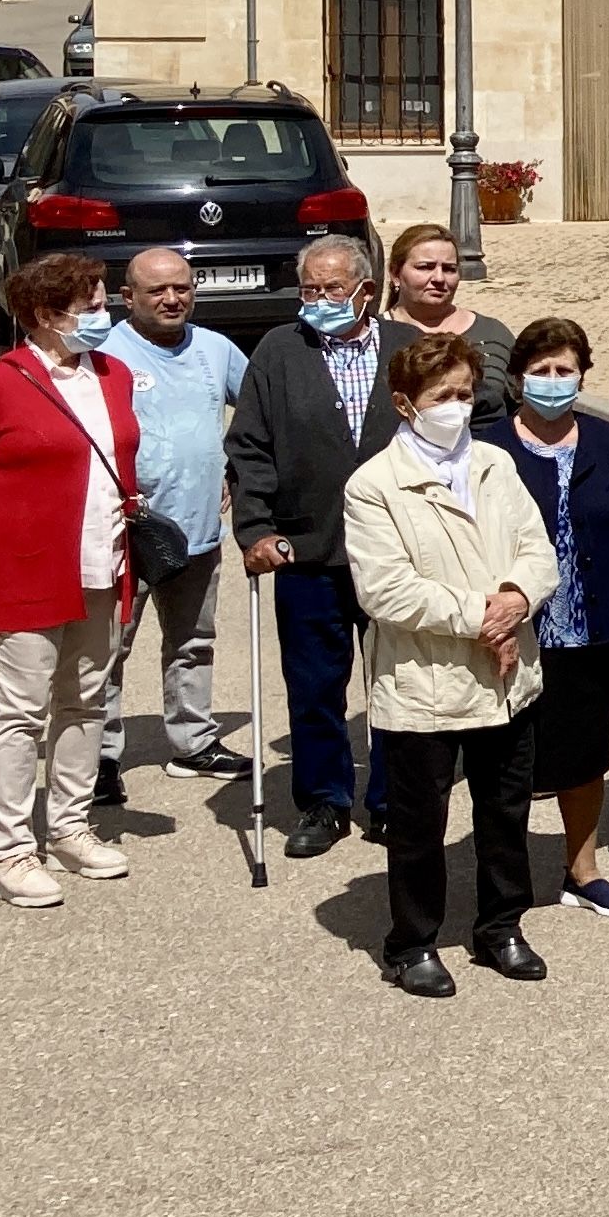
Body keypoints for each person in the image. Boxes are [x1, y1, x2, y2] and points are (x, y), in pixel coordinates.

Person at [344, 334, 558, 994]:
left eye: (465, 394)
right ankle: (411, 943)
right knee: (419, 823)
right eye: (443, 397)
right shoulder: (374, 485)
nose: (457, 408)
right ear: (406, 404)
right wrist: (479, 616)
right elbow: (385, 589)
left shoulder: (496, 463)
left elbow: (536, 549)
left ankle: (501, 926)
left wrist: (519, 597)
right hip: (423, 682)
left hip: (504, 677)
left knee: (505, 810)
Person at [228, 234, 410, 859]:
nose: (319, 300)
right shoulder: (281, 350)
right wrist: (255, 529)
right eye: (309, 289)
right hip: (306, 550)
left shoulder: (407, 350)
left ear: (365, 289)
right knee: (313, 686)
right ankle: (324, 801)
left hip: (398, 553)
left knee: (398, 681)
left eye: (332, 289)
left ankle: (392, 800)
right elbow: (248, 447)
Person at [0, 256, 143, 905]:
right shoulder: (0, 381)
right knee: (18, 713)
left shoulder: (114, 375)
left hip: (102, 564)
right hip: (23, 568)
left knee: (84, 702)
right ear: (46, 317)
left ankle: (72, 828)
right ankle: (9, 849)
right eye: (93, 307)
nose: (105, 317)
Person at [496, 318, 609, 920]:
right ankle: (504, 878)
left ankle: (580, 869)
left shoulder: (608, 442)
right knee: (509, 752)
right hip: (516, 626)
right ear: (517, 380)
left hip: (591, 621)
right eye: (541, 372)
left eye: (566, 371)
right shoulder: (491, 448)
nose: (554, 382)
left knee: (586, 752)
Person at [96, 248, 248, 800]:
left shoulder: (215, 349)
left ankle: (194, 742)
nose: (171, 299)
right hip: (124, 533)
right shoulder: (105, 354)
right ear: (127, 296)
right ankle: (99, 758)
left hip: (198, 530)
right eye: (157, 290)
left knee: (193, 641)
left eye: (182, 288)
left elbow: (257, 414)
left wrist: (235, 469)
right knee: (108, 650)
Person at [382, 222, 517, 421]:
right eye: (425, 267)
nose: (438, 278)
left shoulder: (494, 335)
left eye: (449, 269)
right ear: (395, 274)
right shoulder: (374, 335)